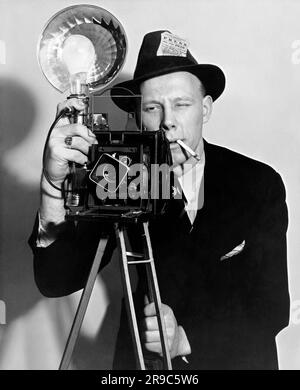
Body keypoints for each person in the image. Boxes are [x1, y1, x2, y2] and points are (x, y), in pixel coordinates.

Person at [29, 30, 290, 369]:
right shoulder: (122, 177)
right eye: (153, 107)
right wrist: (52, 183)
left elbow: (273, 309)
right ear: (139, 116)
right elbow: (55, 280)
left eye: (182, 105)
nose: (168, 122)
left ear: (206, 108)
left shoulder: (258, 182)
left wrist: (186, 337)